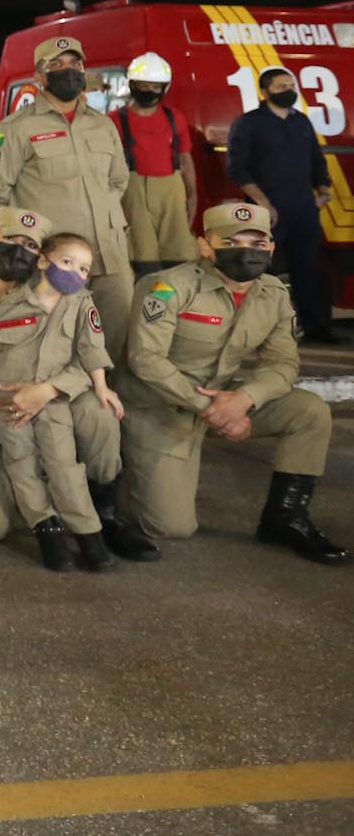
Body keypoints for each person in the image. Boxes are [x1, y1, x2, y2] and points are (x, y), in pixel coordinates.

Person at [0, 207, 156, 562]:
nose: (21, 251)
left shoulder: (63, 295)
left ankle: (104, 513)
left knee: (99, 411)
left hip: (47, 398)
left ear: (43, 258)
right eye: (11, 241)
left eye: (32, 246)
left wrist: (48, 390)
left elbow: (88, 357)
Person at [118, 201, 345, 564]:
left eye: (258, 244)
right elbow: (146, 360)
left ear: (271, 248)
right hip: (160, 408)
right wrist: (214, 408)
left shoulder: (274, 294)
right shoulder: (167, 287)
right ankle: (116, 478)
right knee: (171, 526)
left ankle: (285, 517)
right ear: (205, 245)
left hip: (225, 402)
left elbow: (283, 363)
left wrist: (245, 399)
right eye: (232, 242)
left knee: (308, 410)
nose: (247, 253)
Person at [0, 233, 121, 572]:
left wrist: (102, 386)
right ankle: (46, 528)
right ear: (43, 261)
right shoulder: (13, 300)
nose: (75, 273)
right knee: (20, 461)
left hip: (53, 400)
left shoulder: (82, 304)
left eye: (83, 269)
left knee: (63, 462)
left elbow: (91, 349)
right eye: (67, 262)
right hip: (4, 397)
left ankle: (87, 531)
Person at [0, 35, 132, 366]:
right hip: (54, 259)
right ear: (39, 76)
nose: (69, 71)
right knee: (53, 342)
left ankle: (109, 408)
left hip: (108, 253)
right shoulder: (16, 128)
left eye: (75, 64)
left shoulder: (102, 124)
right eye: (57, 65)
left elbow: (119, 179)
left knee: (115, 336)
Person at [227, 67, 338, 343]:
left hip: (303, 207)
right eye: (280, 86)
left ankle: (316, 328)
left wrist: (323, 190)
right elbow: (237, 169)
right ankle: (254, 332)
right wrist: (263, 203)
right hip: (267, 211)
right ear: (265, 92)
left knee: (307, 267)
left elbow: (316, 159)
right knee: (260, 269)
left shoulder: (300, 121)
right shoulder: (249, 123)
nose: (288, 90)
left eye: (291, 84)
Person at [116, 52, 199, 276]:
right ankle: (144, 302)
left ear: (164, 88)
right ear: (132, 84)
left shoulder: (175, 118)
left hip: (171, 190)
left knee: (180, 253)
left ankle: (180, 303)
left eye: (156, 86)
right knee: (141, 255)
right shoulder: (114, 120)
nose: (149, 91)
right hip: (132, 193)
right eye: (144, 85)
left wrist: (192, 196)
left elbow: (185, 159)